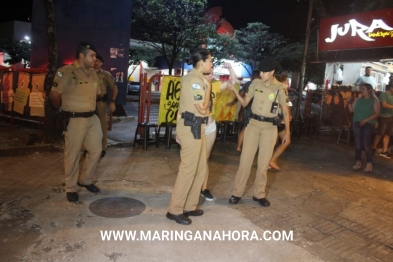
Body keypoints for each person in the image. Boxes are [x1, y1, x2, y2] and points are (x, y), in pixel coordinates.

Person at [227, 58, 291, 207]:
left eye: (265, 72)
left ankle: (259, 194)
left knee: (263, 164)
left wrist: (288, 132)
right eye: (260, 71)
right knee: (245, 161)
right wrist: (235, 91)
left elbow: (286, 112)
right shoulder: (256, 83)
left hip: (270, 128)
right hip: (253, 125)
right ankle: (237, 193)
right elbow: (245, 103)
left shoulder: (280, 88)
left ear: (272, 72)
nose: (261, 74)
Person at [49, 42, 103, 202]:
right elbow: (54, 95)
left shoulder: (93, 73)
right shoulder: (65, 72)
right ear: (82, 55)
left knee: (96, 150)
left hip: (92, 118)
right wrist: (62, 110)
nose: (95, 59)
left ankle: (85, 180)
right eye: (92, 55)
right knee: (72, 154)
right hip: (74, 118)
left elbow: (97, 93)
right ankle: (71, 187)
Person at [167, 48, 212, 225]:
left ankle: (190, 206)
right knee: (187, 170)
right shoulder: (195, 81)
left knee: (200, 168)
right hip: (191, 128)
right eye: (210, 61)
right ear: (202, 63)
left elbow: (181, 105)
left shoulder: (196, 79)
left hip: (196, 127)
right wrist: (208, 87)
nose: (211, 64)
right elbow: (202, 108)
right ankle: (175, 210)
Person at [200, 63, 239, 201]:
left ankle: (203, 188)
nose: (211, 76)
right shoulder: (195, 86)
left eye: (212, 73)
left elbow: (233, 82)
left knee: (205, 158)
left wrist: (230, 69)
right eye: (208, 73)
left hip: (210, 125)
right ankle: (192, 186)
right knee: (195, 159)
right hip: (196, 125)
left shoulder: (215, 85)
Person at [347, 83, 380, 172]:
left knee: (366, 143)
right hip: (357, 122)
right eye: (361, 89)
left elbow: (377, 113)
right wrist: (349, 102)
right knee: (358, 144)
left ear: (369, 90)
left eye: (363, 89)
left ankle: (369, 163)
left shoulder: (374, 100)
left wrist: (366, 120)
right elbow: (351, 110)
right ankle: (358, 161)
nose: (362, 91)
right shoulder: (358, 99)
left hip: (368, 124)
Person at [93, 54, 118, 157]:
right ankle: (87, 148)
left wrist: (112, 101)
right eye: (95, 61)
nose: (96, 63)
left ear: (102, 63)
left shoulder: (105, 75)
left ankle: (103, 148)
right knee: (87, 126)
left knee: (103, 126)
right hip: (87, 103)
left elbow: (114, 88)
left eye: (99, 61)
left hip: (101, 104)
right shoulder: (86, 74)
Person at [231, 70, 261, 153]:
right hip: (256, 110)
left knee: (245, 128)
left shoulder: (248, 84)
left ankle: (239, 147)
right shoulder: (260, 84)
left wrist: (235, 104)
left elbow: (241, 94)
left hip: (247, 109)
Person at [269, 74, 292, 171]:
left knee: (273, 142)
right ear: (282, 81)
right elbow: (285, 107)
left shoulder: (273, 88)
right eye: (286, 80)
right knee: (286, 141)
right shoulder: (282, 88)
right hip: (280, 120)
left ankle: (269, 162)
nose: (287, 82)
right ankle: (272, 160)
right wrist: (287, 117)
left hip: (273, 118)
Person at [372, 83, 393, 158]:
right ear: (391, 88)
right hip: (383, 116)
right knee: (380, 133)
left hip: (391, 117)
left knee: (388, 134)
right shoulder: (384, 95)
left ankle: (384, 151)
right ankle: (373, 148)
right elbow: (384, 104)